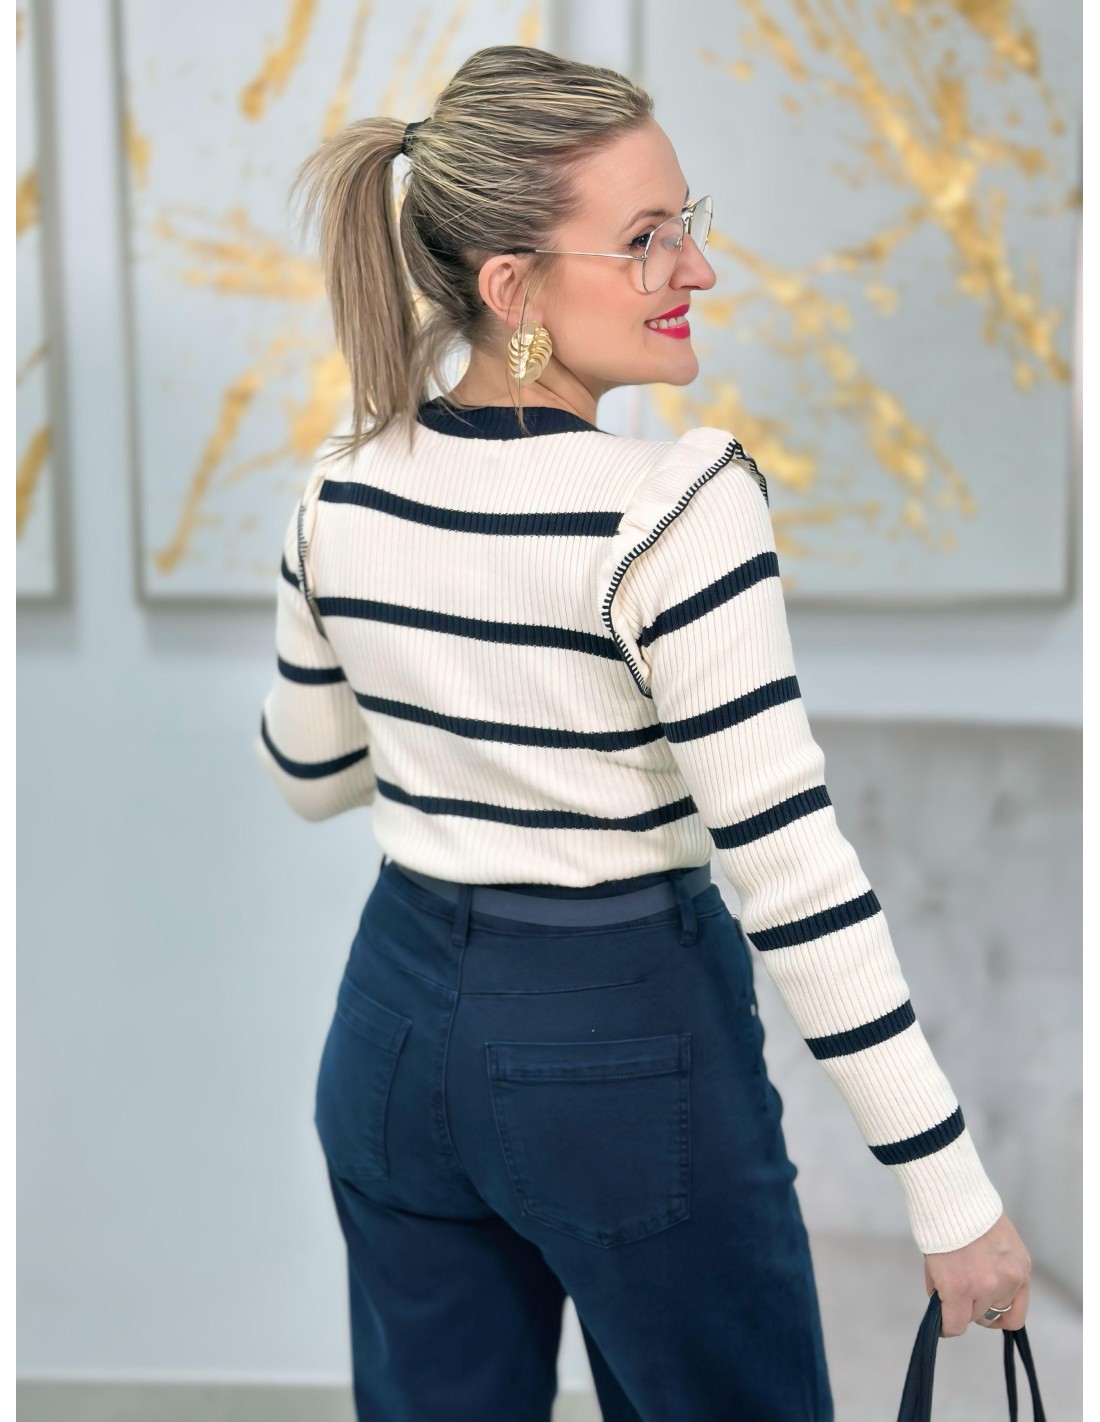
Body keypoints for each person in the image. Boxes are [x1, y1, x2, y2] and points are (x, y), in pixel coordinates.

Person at [256, 43, 1032, 1422]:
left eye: (688, 222)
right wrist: (950, 1190)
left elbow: (309, 772)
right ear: (513, 290)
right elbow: (790, 872)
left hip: (391, 1039)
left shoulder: (343, 490)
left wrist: (457, 715)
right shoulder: (677, 509)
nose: (697, 269)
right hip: (622, 1049)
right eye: (645, 240)